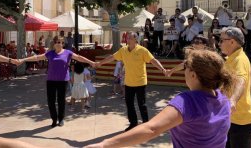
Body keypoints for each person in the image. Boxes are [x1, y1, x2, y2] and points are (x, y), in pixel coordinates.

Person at [87, 49, 234, 148]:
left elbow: (151, 129)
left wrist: (104, 145)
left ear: (194, 75)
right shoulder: (224, 100)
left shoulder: (187, 101)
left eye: (185, 69)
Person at [95, 32, 167, 132]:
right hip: (128, 82)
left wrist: (163, 70)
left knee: (142, 104)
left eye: (129, 38)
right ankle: (133, 123)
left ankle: (146, 124)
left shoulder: (142, 50)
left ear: (136, 40)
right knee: (129, 104)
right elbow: (112, 57)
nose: (127, 40)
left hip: (141, 82)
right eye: (127, 38)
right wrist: (100, 63)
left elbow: (153, 60)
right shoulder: (123, 50)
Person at [20, 35, 95, 128]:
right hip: (51, 80)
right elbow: (37, 58)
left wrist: (91, 62)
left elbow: (79, 58)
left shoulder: (68, 53)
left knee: (60, 101)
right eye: (56, 42)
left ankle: (61, 119)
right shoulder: (50, 53)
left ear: (63, 43)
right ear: (54, 44)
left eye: (59, 42)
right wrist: (23, 59)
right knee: (51, 101)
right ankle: (54, 119)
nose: (57, 44)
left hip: (62, 81)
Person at [220, 27, 251, 148]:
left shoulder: (239, 60)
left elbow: (241, 80)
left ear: (232, 42)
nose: (219, 43)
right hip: (231, 118)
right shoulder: (230, 58)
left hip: (242, 121)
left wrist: (233, 100)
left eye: (222, 40)